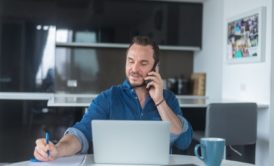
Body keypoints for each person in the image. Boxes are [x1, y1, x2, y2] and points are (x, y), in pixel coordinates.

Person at [33, 36, 193, 161]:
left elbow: (183, 141)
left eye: (143, 63)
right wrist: (57, 149)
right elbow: (80, 133)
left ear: (155, 67)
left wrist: (159, 100)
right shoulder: (108, 98)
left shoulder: (169, 99)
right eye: (131, 61)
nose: (134, 69)